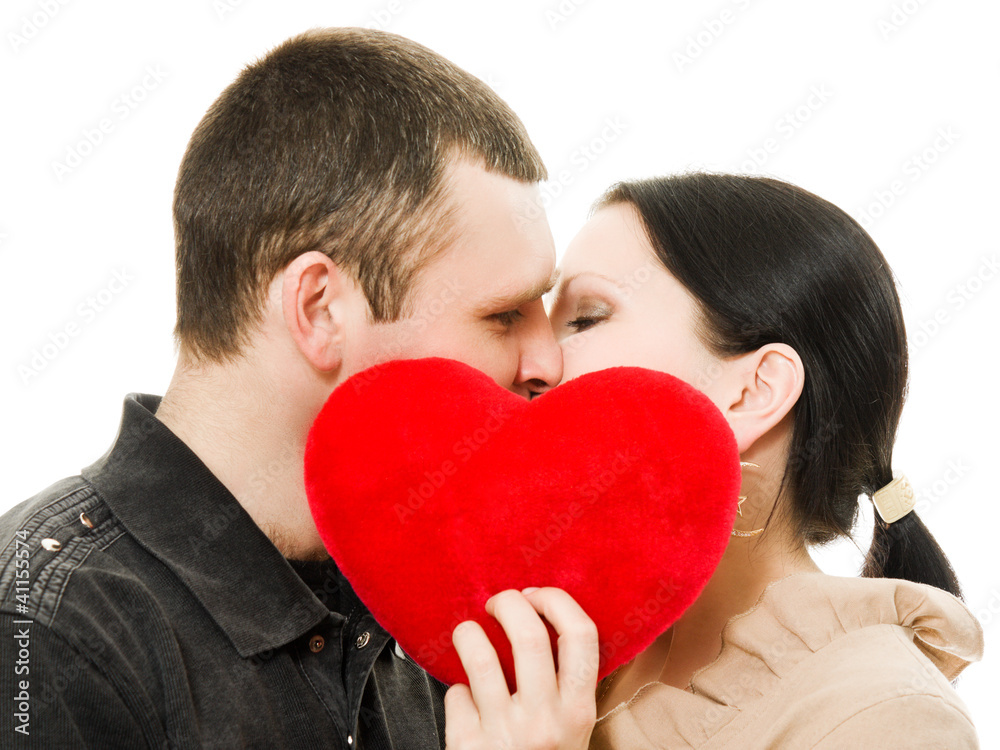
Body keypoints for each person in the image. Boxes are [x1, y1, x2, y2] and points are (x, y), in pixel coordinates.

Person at [0, 28, 598, 748]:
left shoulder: (422, 598)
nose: (550, 362)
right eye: (503, 314)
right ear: (319, 309)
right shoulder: (48, 633)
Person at [540, 173, 984, 748]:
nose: (535, 359)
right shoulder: (558, 647)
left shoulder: (884, 715)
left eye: (585, 318)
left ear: (754, 393)